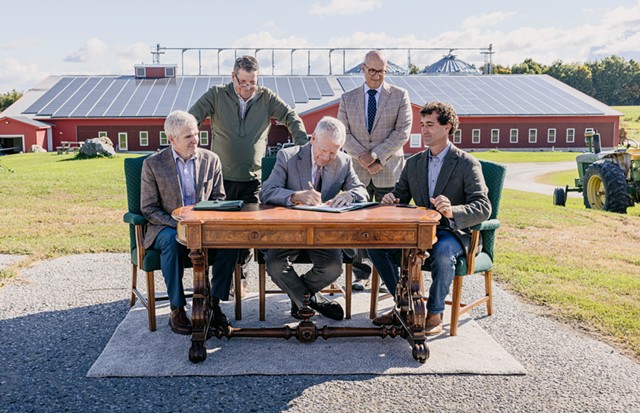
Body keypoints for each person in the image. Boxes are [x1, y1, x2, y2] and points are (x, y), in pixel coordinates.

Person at [189, 55, 309, 298]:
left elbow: (291, 118)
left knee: (246, 234)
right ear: (233, 77)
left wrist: (304, 149)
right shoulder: (216, 95)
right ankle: (216, 283)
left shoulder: (266, 98)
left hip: (252, 179)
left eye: (252, 82)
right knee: (220, 232)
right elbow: (192, 118)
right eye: (243, 82)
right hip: (219, 179)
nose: (247, 88)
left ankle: (240, 277)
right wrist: (190, 146)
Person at [367, 102, 491, 335]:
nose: (424, 130)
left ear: (448, 127)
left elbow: (484, 207)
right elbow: (401, 194)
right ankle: (405, 306)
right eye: (422, 124)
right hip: (419, 232)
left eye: (430, 125)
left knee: (443, 251)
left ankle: (434, 313)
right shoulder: (413, 163)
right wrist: (392, 198)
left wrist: (453, 210)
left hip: (453, 233)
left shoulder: (466, 163)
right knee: (376, 245)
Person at [259, 116, 369, 321]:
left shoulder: (343, 162)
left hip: (323, 234)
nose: (327, 157)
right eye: (323, 150)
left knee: (333, 266)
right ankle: (313, 300)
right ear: (312, 139)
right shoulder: (288, 156)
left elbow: (361, 190)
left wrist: (350, 195)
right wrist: (294, 196)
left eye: (333, 152)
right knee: (274, 264)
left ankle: (300, 298)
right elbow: (266, 191)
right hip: (288, 231)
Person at [140, 110, 239, 335]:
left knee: (232, 243)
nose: (195, 140)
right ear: (171, 139)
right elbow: (148, 208)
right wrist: (179, 224)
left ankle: (213, 302)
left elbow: (219, 199)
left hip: (204, 225)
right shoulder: (153, 164)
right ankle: (177, 308)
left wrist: (205, 222)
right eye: (188, 136)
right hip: (167, 227)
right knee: (173, 243)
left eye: (196, 134)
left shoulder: (211, 159)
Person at [337, 50, 412, 290]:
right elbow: (342, 132)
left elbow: (402, 132)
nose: (376, 75)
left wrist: (377, 156)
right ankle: (361, 274)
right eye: (372, 70)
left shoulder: (400, 96)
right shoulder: (348, 98)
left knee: (387, 225)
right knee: (358, 223)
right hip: (358, 170)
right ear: (363, 69)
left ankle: (387, 277)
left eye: (381, 71)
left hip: (388, 169)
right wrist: (362, 156)